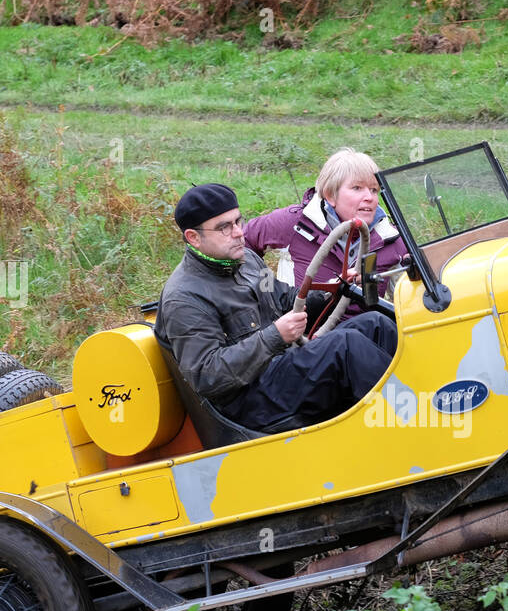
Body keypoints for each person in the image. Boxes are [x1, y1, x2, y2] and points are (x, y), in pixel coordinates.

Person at [155, 182, 398, 434]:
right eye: (224, 228)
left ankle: (427, 402)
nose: (239, 232)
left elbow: (287, 300)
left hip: (280, 369)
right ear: (194, 237)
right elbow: (207, 375)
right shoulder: (184, 298)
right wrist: (275, 335)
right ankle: (408, 422)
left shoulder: (246, 261)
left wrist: (333, 289)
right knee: (347, 346)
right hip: (249, 401)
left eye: (238, 221)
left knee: (375, 323)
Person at [243, 148, 409, 290]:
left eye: (374, 190)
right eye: (357, 188)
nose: (369, 197)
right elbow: (242, 242)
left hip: (368, 327)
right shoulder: (295, 223)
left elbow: (411, 301)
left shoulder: (391, 239)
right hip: (307, 325)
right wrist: (265, 297)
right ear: (331, 195)